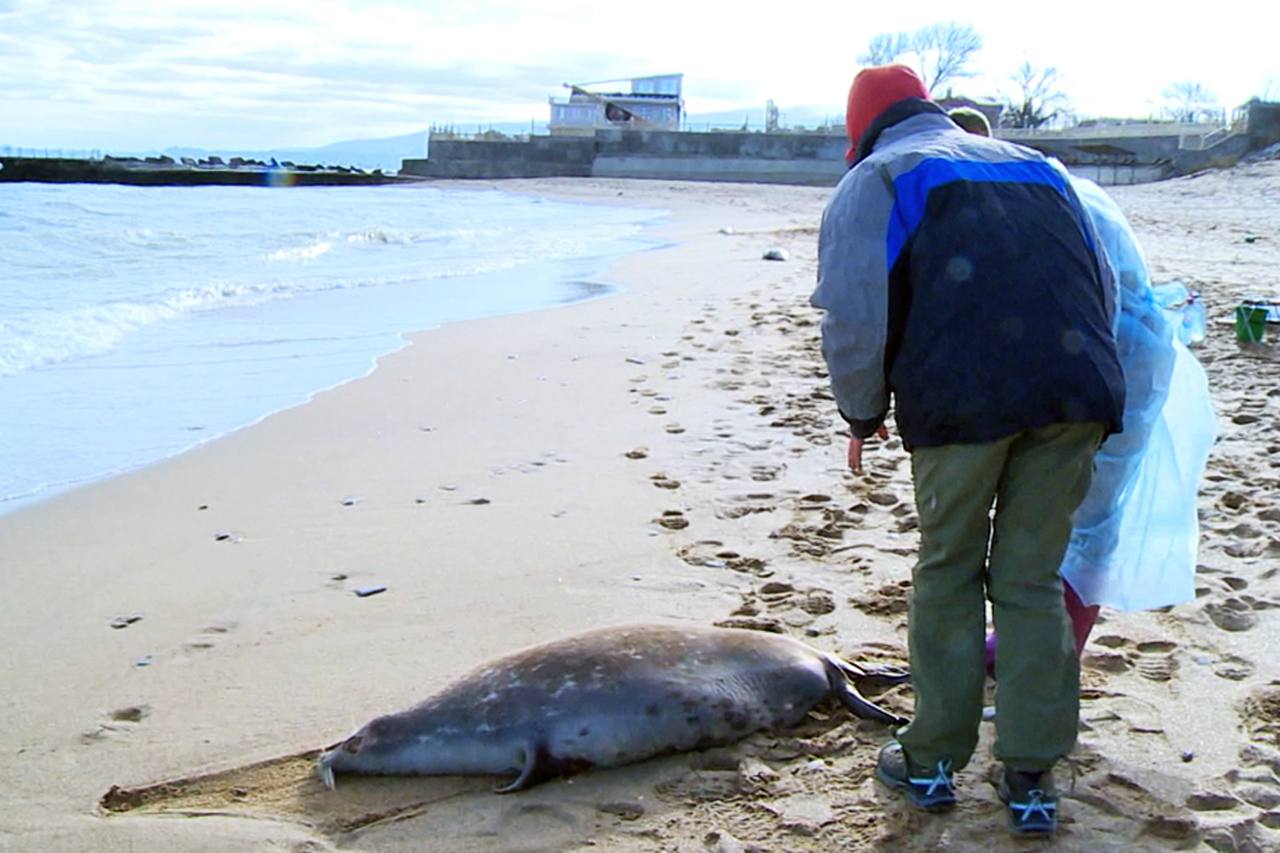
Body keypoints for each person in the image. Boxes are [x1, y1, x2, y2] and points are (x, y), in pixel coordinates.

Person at [811, 65, 1126, 836]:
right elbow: (1102, 287)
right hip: (1077, 389)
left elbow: (854, 315)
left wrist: (861, 411)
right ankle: (1030, 775)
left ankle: (933, 759)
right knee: (1030, 577)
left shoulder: (877, 177)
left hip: (964, 399)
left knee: (949, 567)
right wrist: (1074, 376)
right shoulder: (1039, 167)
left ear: (864, 130)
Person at [944, 107, 1218, 672]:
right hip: (1098, 361)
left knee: (1087, 519)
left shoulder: (1044, 195)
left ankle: (1052, 659)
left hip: (1110, 367)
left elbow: (1097, 296)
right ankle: (1029, 645)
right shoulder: (1043, 187)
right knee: (1060, 514)